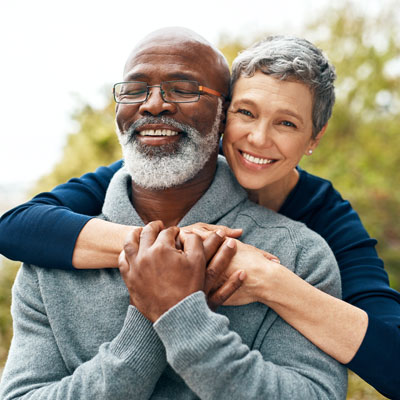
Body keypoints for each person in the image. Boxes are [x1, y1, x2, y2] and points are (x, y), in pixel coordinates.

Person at [1, 35, 400, 400]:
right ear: (227, 116)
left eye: (287, 123)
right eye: (247, 112)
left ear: (314, 138)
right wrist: (162, 254)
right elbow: (16, 225)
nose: (259, 138)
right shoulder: (63, 246)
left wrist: (270, 282)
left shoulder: (315, 238)